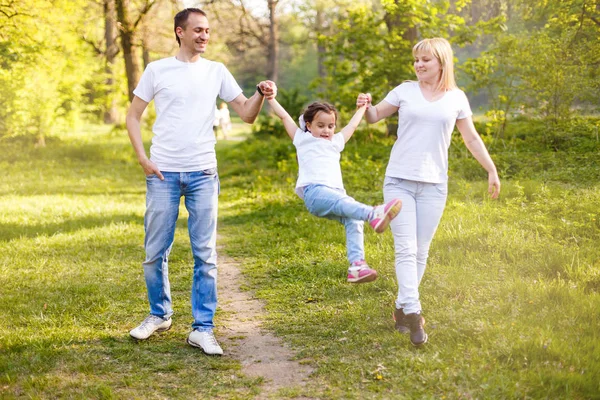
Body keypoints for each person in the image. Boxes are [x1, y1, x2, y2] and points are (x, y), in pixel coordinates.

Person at [125, 7, 276, 356]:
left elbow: (246, 115)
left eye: (207, 31)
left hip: (203, 174)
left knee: (205, 255)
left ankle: (203, 328)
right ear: (180, 32)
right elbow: (133, 116)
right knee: (153, 252)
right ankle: (159, 314)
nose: (204, 36)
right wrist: (142, 158)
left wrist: (261, 93)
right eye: (197, 30)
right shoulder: (157, 70)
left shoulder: (216, 71)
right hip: (163, 173)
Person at [357, 37, 500, 346]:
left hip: (435, 184)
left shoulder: (457, 98)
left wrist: (490, 169)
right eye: (416, 60)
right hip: (399, 181)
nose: (419, 65)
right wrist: (365, 106)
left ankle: (401, 306)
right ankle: (415, 312)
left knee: (421, 251)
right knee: (406, 249)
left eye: (425, 60)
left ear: (441, 63)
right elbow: (375, 116)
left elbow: (471, 138)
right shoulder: (404, 91)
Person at [267, 95, 403, 283]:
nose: (326, 130)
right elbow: (284, 117)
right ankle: (373, 214)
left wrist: (362, 108)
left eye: (330, 126)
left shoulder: (335, 142)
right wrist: (270, 97)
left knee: (354, 220)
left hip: (336, 195)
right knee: (351, 206)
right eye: (320, 125)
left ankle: (357, 266)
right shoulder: (302, 139)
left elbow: (353, 126)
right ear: (308, 125)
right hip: (315, 192)